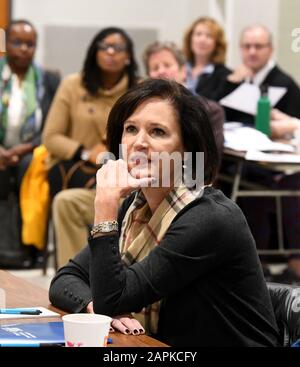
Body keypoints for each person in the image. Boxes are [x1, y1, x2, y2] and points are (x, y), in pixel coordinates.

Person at [49, 79, 280, 347]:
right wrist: (92, 306)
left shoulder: (209, 219)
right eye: (131, 129)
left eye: (157, 132)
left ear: (186, 151)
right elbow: (65, 279)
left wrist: (105, 205)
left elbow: (112, 299)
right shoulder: (136, 206)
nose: (139, 143)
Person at [42, 27, 139, 267]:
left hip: (125, 176)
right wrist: (86, 153)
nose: (110, 52)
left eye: (117, 48)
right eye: (104, 46)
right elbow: (51, 137)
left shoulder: (139, 90)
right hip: (80, 173)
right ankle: (74, 277)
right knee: (65, 202)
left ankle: (116, 278)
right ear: (94, 52)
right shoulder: (73, 85)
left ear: (128, 56)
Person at [0, 19, 60, 267]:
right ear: (6, 44)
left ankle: (29, 251)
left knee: (29, 168)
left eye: (30, 44)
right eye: (17, 42)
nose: (24, 49)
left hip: (33, 150)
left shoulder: (48, 79)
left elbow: (52, 125)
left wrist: (19, 150)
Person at [143, 40, 224, 158]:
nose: (161, 71)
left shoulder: (211, 111)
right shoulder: (141, 110)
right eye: (155, 68)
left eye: (167, 65)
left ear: (183, 70)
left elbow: (210, 162)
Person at [223, 24, 300, 124]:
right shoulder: (234, 79)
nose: (252, 52)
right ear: (240, 48)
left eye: (258, 46)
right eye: (247, 46)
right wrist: (230, 83)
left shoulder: (286, 84)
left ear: (270, 50)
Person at [183, 16, 231, 100]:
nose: (202, 40)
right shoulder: (179, 67)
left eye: (209, 36)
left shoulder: (225, 76)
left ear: (217, 44)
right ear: (190, 39)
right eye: (198, 34)